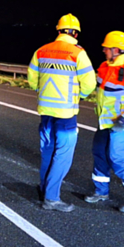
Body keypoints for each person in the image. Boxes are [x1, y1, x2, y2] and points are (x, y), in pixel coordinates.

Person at [28, 14, 96, 212]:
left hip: (45, 111)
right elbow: (90, 83)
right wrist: (79, 96)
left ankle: (44, 189)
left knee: (47, 151)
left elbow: (32, 79)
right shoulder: (78, 53)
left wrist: (43, 93)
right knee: (63, 155)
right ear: (75, 33)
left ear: (59, 30)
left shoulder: (41, 50)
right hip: (66, 113)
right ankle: (51, 198)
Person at [85, 31, 124, 213]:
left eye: (106, 47)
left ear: (116, 50)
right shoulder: (104, 66)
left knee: (118, 159)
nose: (103, 50)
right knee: (99, 154)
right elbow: (99, 90)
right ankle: (101, 191)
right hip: (105, 123)